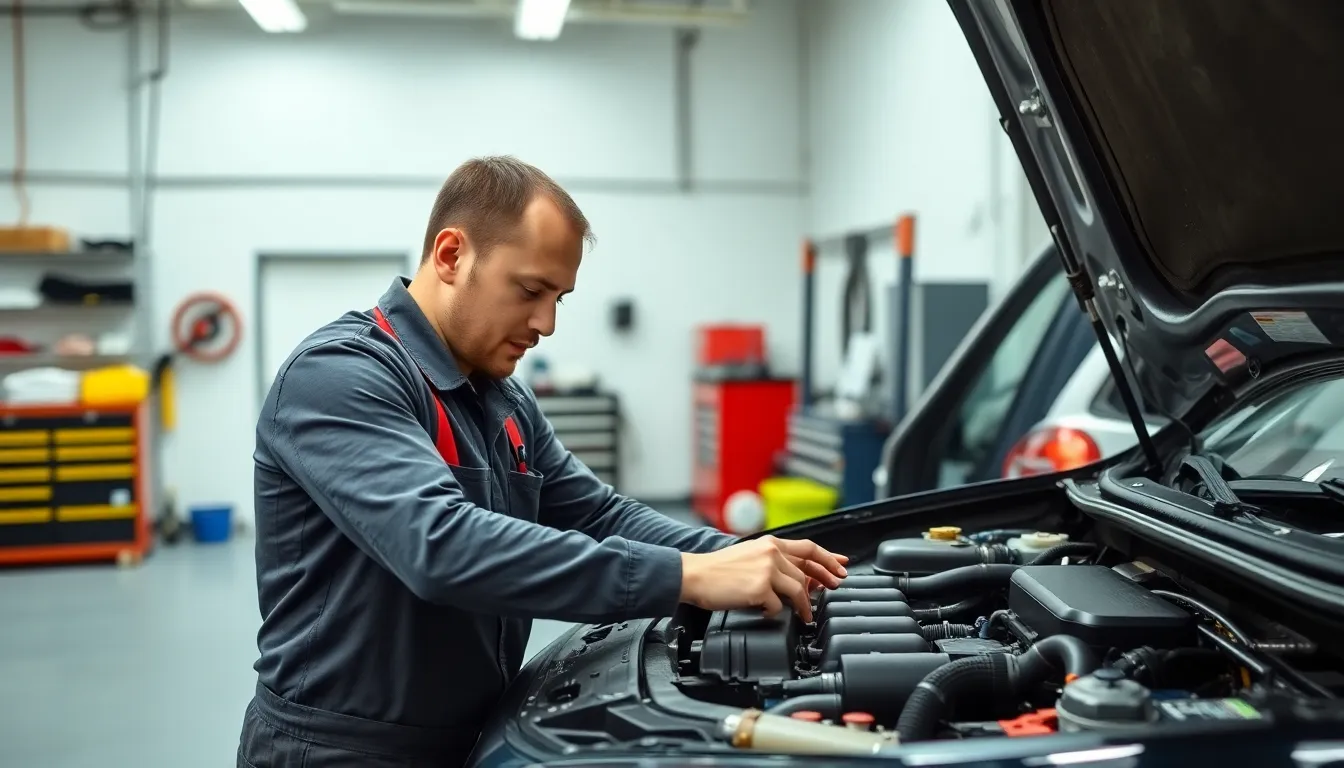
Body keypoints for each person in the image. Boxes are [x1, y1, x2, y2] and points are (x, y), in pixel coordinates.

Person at [236, 156, 848, 768]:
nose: (546, 323)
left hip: (474, 733)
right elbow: (441, 546)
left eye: (559, 297)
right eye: (530, 291)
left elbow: (597, 513)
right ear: (451, 256)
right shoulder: (341, 376)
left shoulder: (501, 398)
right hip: (341, 751)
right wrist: (684, 577)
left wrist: (731, 554)